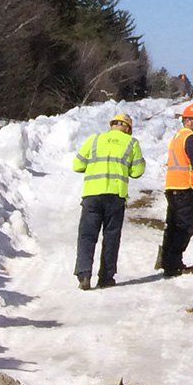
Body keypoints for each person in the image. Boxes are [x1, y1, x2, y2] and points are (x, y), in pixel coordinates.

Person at [72, 112, 146, 289]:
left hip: (92, 195)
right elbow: (137, 172)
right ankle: (106, 277)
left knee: (87, 236)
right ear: (128, 129)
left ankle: (84, 274)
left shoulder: (95, 139)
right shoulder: (132, 143)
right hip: (115, 197)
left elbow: (77, 165)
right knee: (111, 237)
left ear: (112, 125)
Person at [158, 102, 193, 277]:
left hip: (173, 186)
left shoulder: (178, 137)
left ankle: (167, 261)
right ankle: (174, 264)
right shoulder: (191, 138)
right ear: (188, 120)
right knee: (185, 227)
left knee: (173, 226)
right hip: (185, 188)